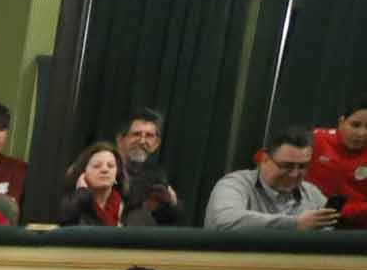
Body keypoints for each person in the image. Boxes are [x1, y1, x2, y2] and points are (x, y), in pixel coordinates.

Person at [206, 125, 338, 234]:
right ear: (265, 159)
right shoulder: (234, 184)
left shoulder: (311, 192)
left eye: (303, 167)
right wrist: (295, 224)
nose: (294, 174)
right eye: (287, 166)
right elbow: (225, 221)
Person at [116, 108, 184, 225]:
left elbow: (172, 218)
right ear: (121, 140)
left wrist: (172, 203)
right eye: (136, 134)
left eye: (149, 136)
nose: (142, 141)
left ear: (156, 144)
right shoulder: (106, 166)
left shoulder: (156, 173)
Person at [308, 102, 367, 229]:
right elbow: (270, 159)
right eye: (355, 125)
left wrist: (339, 211)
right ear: (342, 122)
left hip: (357, 229)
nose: (362, 133)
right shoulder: (316, 139)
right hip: (309, 221)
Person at [61, 141, 127, 227]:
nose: (105, 170)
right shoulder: (71, 204)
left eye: (110, 166)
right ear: (83, 173)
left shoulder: (124, 206)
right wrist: (81, 193)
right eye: (97, 166)